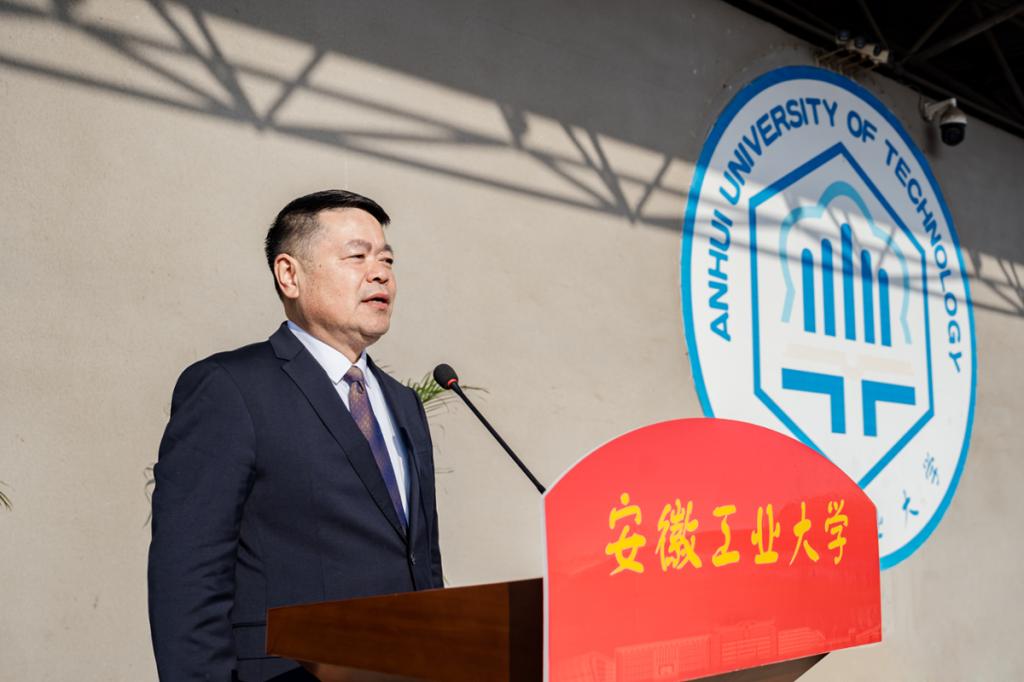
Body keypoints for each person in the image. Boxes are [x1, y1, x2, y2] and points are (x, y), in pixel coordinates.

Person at [148, 190, 443, 681]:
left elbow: (422, 562)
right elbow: (188, 576)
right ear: (289, 274)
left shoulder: (403, 403)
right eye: (357, 257)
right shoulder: (231, 389)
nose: (380, 274)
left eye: (387, 259)